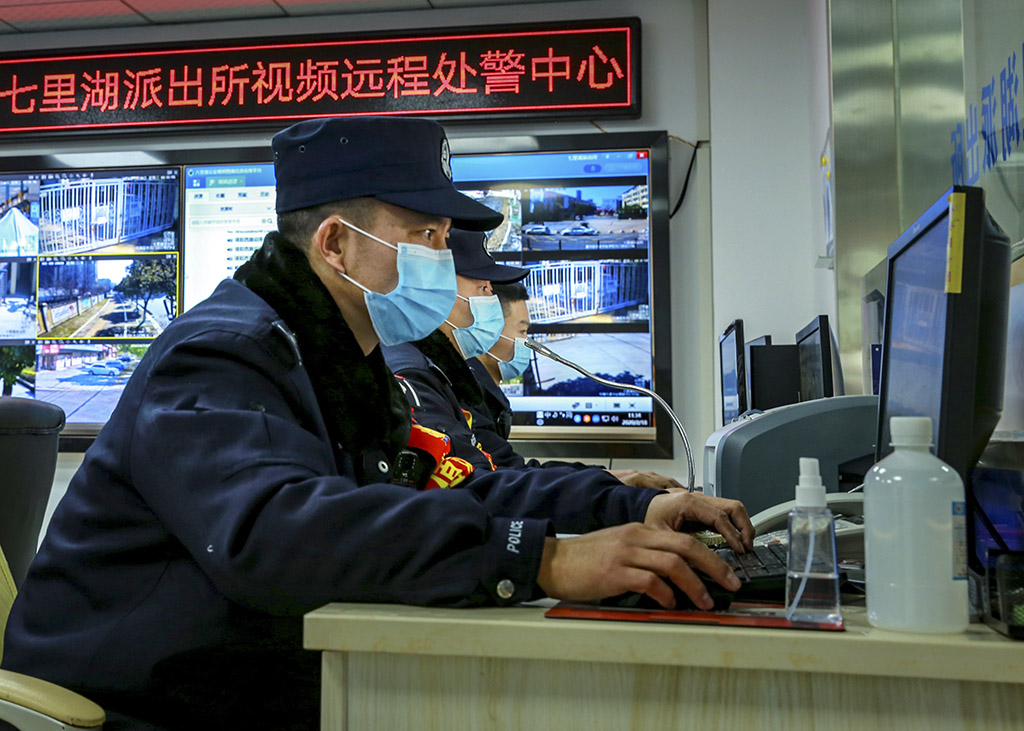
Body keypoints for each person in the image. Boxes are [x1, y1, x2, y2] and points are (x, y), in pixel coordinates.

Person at [2, 116, 752, 731]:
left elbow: (446, 487)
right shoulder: (223, 353)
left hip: (238, 682)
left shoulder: (339, 362)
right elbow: (275, 531)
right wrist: (540, 560)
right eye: (425, 235)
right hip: (136, 704)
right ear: (334, 243)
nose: (442, 259)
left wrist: (625, 508)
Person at [387, 229, 685, 489]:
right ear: (438, 288)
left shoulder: (446, 376)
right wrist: (621, 499)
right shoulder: (415, 376)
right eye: (483, 288)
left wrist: (608, 481)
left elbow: (503, 471)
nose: (490, 298)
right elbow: (483, 490)